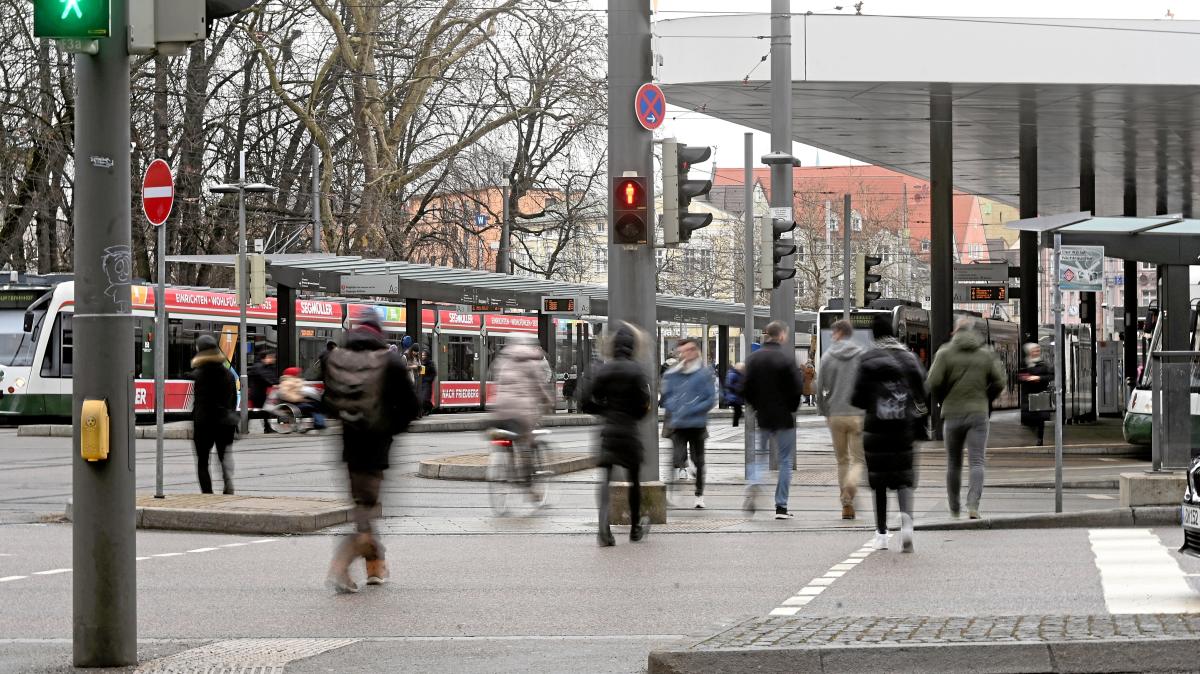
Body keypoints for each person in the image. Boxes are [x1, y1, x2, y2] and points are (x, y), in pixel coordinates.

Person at [321, 315, 418, 593]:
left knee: (364, 507)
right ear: (378, 334)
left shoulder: (334, 359)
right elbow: (412, 407)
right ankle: (340, 566)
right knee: (367, 509)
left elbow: (327, 404)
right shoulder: (389, 362)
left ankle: (376, 567)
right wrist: (391, 427)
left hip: (349, 447)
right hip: (377, 446)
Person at [851, 316, 927, 552]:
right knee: (904, 478)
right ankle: (906, 526)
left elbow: (857, 398)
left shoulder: (867, 359)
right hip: (904, 427)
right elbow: (922, 392)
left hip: (876, 428)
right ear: (895, 332)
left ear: (874, 335)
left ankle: (882, 534)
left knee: (879, 482)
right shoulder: (909, 358)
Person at [579, 323, 652, 546]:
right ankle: (635, 528)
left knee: (605, 480)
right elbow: (645, 404)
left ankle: (603, 529)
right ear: (632, 346)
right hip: (629, 431)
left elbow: (585, 401)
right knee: (634, 480)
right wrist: (633, 415)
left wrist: (605, 411)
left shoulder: (603, 369)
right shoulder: (638, 371)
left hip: (608, 429)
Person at [927, 317, 1006, 520]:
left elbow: (933, 382)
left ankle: (954, 507)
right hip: (978, 414)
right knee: (977, 461)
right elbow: (999, 381)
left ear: (955, 331)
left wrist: (944, 397)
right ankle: (973, 506)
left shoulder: (944, 353)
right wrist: (986, 398)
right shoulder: (985, 354)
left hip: (952, 414)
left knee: (953, 462)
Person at [741, 320, 803, 519]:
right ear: (782, 336)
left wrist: (757, 406)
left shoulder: (753, 359)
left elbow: (745, 388)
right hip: (784, 416)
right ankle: (781, 507)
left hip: (764, 416)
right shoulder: (786, 359)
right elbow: (796, 389)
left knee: (760, 455)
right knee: (785, 461)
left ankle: (754, 483)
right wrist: (791, 409)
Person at [816, 319, 866, 520]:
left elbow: (819, 388)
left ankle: (847, 506)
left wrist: (824, 411)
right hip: (857, 414)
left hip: (835, 414)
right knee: (858, 460)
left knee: (841, 460)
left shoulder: (828, 357)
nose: (831, 336)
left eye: (833, 333)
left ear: (839, 333)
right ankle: (851, 487)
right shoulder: (862, 355)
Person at [661, 338, 717, 509]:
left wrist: (692, 408)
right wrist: (676, 407)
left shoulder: (704, 374)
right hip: (678, 424)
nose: (685, 354)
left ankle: (699, 495)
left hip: (697, 424)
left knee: (699, 460)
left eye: (689, 350)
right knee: (676, 458)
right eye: (682, 351)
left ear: (695, 351)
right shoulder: (673, 374)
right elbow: (666, 397)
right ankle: (671, 493)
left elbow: (710, 399)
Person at [492, 333, 555, 466]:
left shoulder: (502, 361)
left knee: (507, 436)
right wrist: (548, 401)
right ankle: (527, 472)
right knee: (527, 436)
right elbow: (539, 387)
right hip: (522, 410)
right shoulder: (531, 362)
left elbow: (497, 383)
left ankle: (509, 467)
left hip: (501, 410)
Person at [189, 335, 238, 495]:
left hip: (204, 424)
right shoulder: (229, 375)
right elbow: (232, 401)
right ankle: (227, 481)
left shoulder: (199, 375)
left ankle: (207, 494)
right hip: (225, 423)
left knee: (203, 462)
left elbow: (200, 403)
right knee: (224, 457)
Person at [1018, 343, 1052, 446]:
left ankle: (1040, 439)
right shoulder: (1024, 364)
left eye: (1038, 350)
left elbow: (1050, 376)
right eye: (1034, 350)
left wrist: (1039, 378)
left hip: (1040, 395)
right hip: (1028, 395)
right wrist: (1026, 378)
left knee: (1040, 418)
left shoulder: (1043, 363)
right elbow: (1019, 376)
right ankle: (1034, 433)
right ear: (1029, 352)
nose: (1036, 352)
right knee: (1029, 417)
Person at [248, 348, 278, 433]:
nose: (273, 359)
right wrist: (273, 383)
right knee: (260, 410)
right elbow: (264, 377)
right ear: (265, 358)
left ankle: (267, 428)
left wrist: (276, 382)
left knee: (263, 410)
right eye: (271, 357)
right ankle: (242, 427)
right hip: (256, 392)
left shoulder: (268, 367)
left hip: (261, 392)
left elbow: (271, 377)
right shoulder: (258, 366)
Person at [724, 362, 746, 427]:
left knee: (738, 411)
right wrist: (738, 388)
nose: (743, 369)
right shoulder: (733, 374)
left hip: (737, 397)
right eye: (742, 368)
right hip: (733, 397)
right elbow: (728, 384)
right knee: (738, 411)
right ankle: (735, 425)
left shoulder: (738, 374)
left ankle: (735, 425)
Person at [419, 348, 438, 416]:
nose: (423, 357)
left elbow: (434, 373)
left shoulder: (431, 363)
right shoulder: (421, 363)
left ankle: (429, 408)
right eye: (422, 355)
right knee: (422, 398)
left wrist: (428, 380)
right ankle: (426, 410)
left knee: (425, 398)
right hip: (421, 383)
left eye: (424, 355)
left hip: (427, 383)